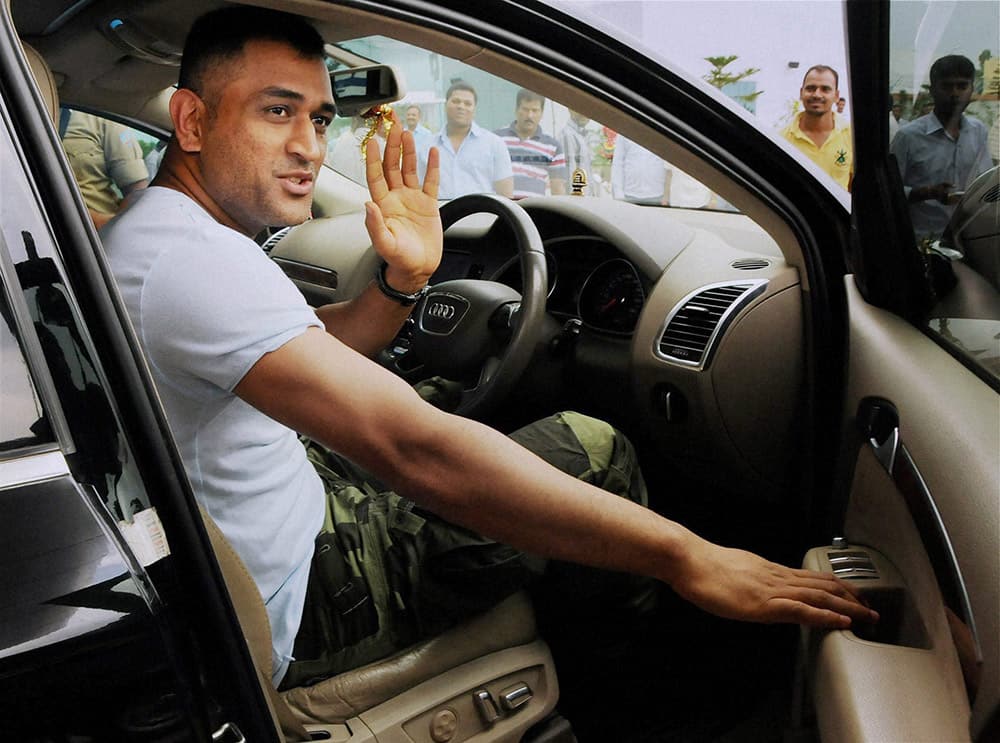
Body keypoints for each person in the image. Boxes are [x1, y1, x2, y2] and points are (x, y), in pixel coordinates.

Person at [102, 6, 876, 693]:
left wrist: (404, 280)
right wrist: (687, 555)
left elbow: (310, 346)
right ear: (193, 121)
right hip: (306, 598)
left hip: (262, 520)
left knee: (452, 406)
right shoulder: (196, 262)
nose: (310, 145)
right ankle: (629, 686)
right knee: (595, 444)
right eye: (278, 112)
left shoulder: (164, 232)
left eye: (321, 118)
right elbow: (415, 449)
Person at [890, 55, 993, 240]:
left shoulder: (978, 131)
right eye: (947, 86)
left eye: (962, 86)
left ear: (971, 90)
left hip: (969, 240)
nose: (955, 94)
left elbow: (984, 183)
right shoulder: (908, 137)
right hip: (922, 243)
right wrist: (927, 193)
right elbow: (889, 192)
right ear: (932, 90)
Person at [416, 81, 513, 199]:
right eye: (456, 101)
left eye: (467, 103)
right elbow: (418, 189)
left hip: (482, 215)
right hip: (439, 215)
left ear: (474, 109)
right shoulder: (426, 146)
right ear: (446, 104)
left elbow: (505, 194)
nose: (461, 106)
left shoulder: (494, 144)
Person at [61, 109, 150, 228]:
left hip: (94, 238)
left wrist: (107, 229)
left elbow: (137, 195)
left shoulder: (106, 119)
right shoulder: (29, 106)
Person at [779, 65, 853, 190]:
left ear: (836, 96)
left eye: (825, 89)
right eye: (811, 88)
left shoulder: (851, 137)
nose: (817, 95)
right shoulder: (783, 139)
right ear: (801, 93)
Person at [496, 89, 568, 197]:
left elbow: (558, 189)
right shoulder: (497, 139)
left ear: (541, 113)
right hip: (501, 208)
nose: (529, 115)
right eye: (525, 109)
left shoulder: (553, 146)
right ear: (516, 110)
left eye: (535, 110)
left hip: (534, 210)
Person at [610, 135, 670, 205]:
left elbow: (669, 164)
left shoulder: (661, 130)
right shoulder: (625, 130)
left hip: (658, 195)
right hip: (629, 195)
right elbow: (618, 163)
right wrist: (619, 194)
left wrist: (667, 196)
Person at [559, 110, 599, 196]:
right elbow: (570, 175)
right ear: (570, 109)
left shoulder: (581, 135)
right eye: (580, 109)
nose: (584, 114)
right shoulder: (568, 135)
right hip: (578, 200)